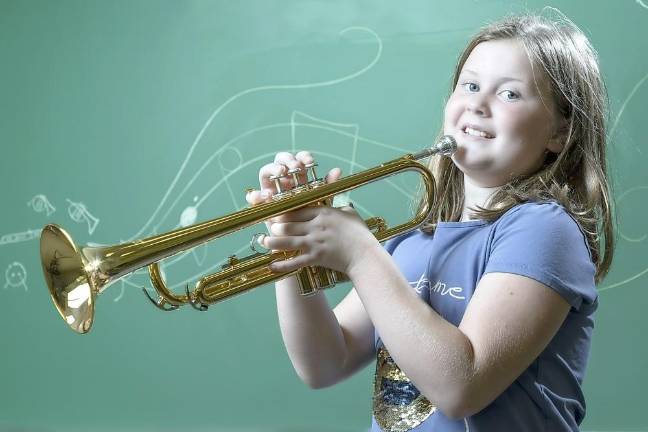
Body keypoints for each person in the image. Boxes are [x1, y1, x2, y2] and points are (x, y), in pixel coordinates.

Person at [245, 13, 614, 432]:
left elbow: (462, 387)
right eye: (470, 86)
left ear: (560, 133)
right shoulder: (413, 239)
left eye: (510, 94)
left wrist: (361, 256)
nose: (478, 103)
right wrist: (293, 246)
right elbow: (325, 363)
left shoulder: (545, 229)